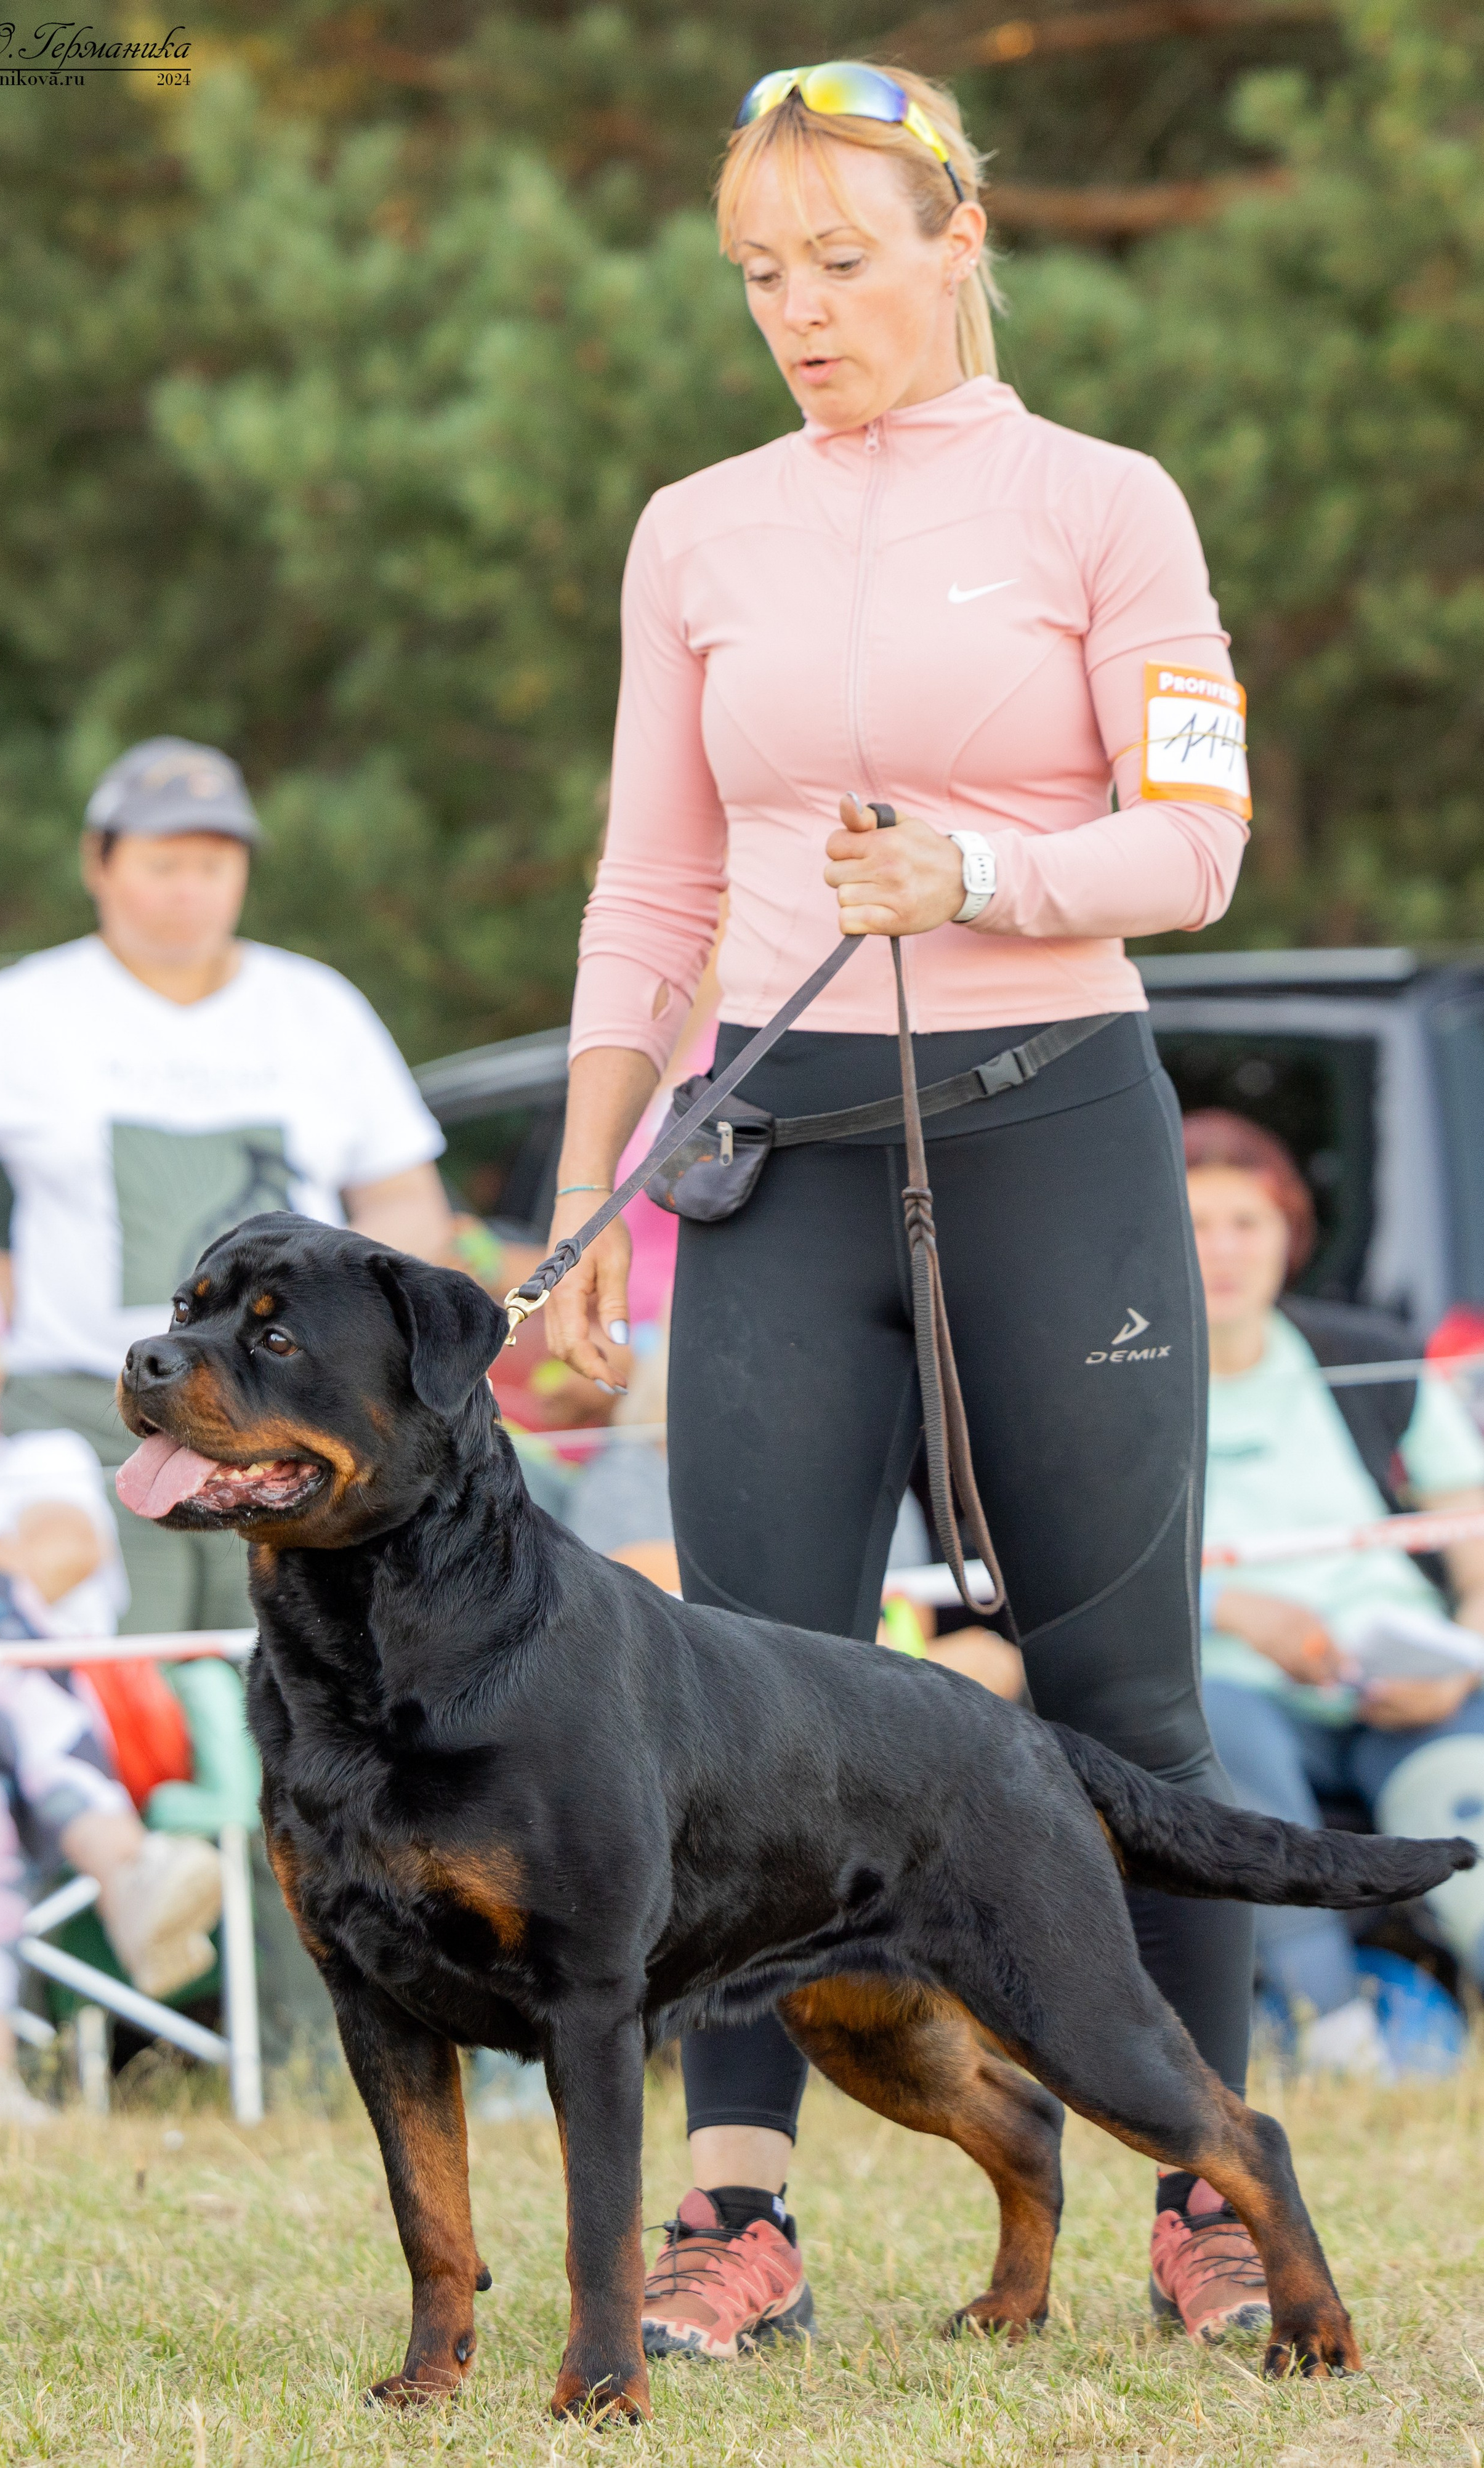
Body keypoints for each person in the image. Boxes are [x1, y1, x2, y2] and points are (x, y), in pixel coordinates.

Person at [545, 62, 1267, 2358]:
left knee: (1127, 1684)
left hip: (1056, 1118)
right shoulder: (699, 527)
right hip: (776, 1162)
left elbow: (1199, 845)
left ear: (962, 237)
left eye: (842, 261)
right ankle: (739, 2210)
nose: (798, 310)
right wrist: (580, 1211)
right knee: (733, 1697)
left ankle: (1207, 2184)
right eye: (762, 274)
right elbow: (652, 884)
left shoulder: (1106, 503)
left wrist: (986, 873)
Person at [0, 737, 459, 1637]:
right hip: (95, 1415)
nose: (189, 887)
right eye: (164, 862)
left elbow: (405, 1199)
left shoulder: (316, 1009)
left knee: (303, 1678)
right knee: (138, 1691)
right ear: (100, 862)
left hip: (288, 1422)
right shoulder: (23, 1012)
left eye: (214, 862)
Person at [1186, 1111, 1484, 2074]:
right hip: (1238, 1689)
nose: (1224, 1252)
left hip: (1405, 1684)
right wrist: (1232, 1610)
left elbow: (1471, 1534)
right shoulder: (1117, 1383)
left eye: (1247, 1224)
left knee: (1458, 1782)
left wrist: (1461, 1652)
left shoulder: (1366, 1354)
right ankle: (1333, 2025)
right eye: (1195, 1226)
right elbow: (1065, 1560)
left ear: (1289, 1235)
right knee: (1224, 1730)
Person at [0, 1245, 224, 2124]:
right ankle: (123, 1869)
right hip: (15, 1761)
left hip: (42, 1737)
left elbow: (66, 1549)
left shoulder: (41, 1457)